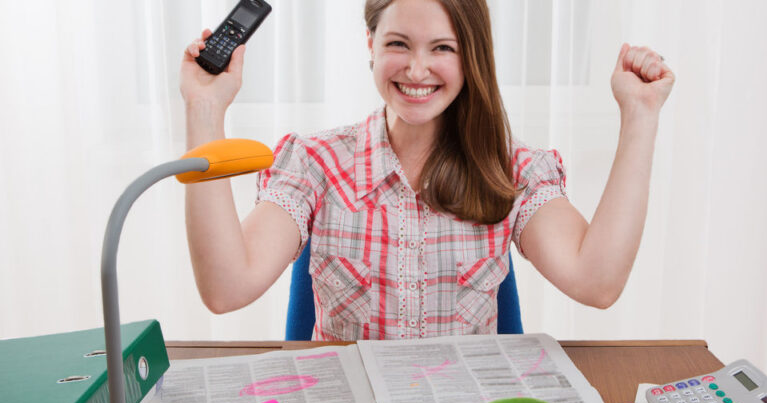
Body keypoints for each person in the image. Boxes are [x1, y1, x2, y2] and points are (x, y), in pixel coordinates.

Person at [179, 0, 674, 341]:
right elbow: (225, 289)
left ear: (471, 55)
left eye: (443, 48)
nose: (417, 70)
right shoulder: (315, 164)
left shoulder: (509, 169)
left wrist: (640, 115)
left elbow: (597, 281)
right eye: (399, 44)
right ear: (369, 43)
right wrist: (204, 109)